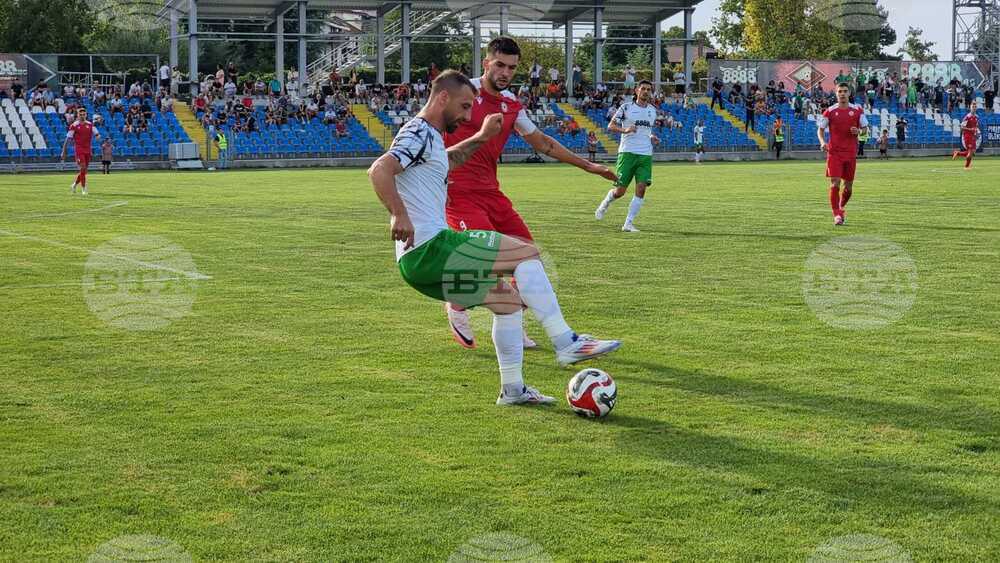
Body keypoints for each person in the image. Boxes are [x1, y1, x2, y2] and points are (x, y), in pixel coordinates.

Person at [367, 70, 622, 406]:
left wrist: (482, 136)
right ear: (443, 98)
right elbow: (379, 169)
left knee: (507, 304)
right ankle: (566, 342)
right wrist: (398, 213)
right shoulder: (417, 130)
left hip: (415, 266)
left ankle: (513, 390)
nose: (468, 115)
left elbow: (448, 161)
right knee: (526, 253)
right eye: (464, 106)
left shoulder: (430, 138)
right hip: (430, 247)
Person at [441, 37, 618, 350]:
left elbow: (543, 143)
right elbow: (429, 126)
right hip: (458, 193)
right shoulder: (461, 91)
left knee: (529, 260)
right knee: (492, 261)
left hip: (492, 194)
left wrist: (588, 165)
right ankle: (457, 305)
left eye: (511, 67)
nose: (505, 72)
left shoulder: (512, 105)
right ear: (486, 62)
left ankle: (514, 326)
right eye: (499, 65)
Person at [594, 80, 660, 233]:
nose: (645, 91)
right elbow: (610, 126)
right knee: (620, 191)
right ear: (637, 91)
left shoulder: (652, 110)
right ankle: (606, 203)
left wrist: (652, 137)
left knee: (642, 188)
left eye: (648, 89)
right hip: (627, 153)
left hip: (645, 154)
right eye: (643, 89)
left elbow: (646, 130)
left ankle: (628, 223)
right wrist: (625, 130)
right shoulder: (626, 107)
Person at [817, 82, 868, 226]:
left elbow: (865, 128)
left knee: (849, 187)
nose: (842, 94)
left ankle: (840, 207)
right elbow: (820, 130)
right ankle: (837, 215)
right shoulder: (829, 111)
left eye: (845, 91)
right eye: (840, 91)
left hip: (851, 153)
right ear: (836, 93)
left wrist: (859, 132)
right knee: (835, 182)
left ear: (849, 93)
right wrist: (822, 142)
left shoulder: (857, 110)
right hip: (834, 153)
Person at [61, 107, 101, 195]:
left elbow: (97, 134)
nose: (82, 116)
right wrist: (64, 151)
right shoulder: (74, 125)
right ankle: (83, 189)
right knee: (83, 168)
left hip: (88, 150)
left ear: (86, 115)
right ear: (77, 115)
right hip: (79, 150)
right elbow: (67, 139)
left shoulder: (90, 125)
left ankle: (74, 185)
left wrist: (98, 136)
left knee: (84, 171)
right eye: (80, 114)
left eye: (84, 114)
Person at [952, 100, 980, 169]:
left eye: (975, 106)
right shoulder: (967, 117)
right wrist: (970, 129)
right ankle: (966, 167)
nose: (974, 107)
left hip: (973, 136)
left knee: (972, 152)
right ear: (970, 107)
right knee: (970, 153)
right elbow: (962, 127)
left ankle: (957, 153)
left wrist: (976, 133)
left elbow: (976, 126)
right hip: (967, 136)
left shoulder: (977, 117)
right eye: (973, 106)